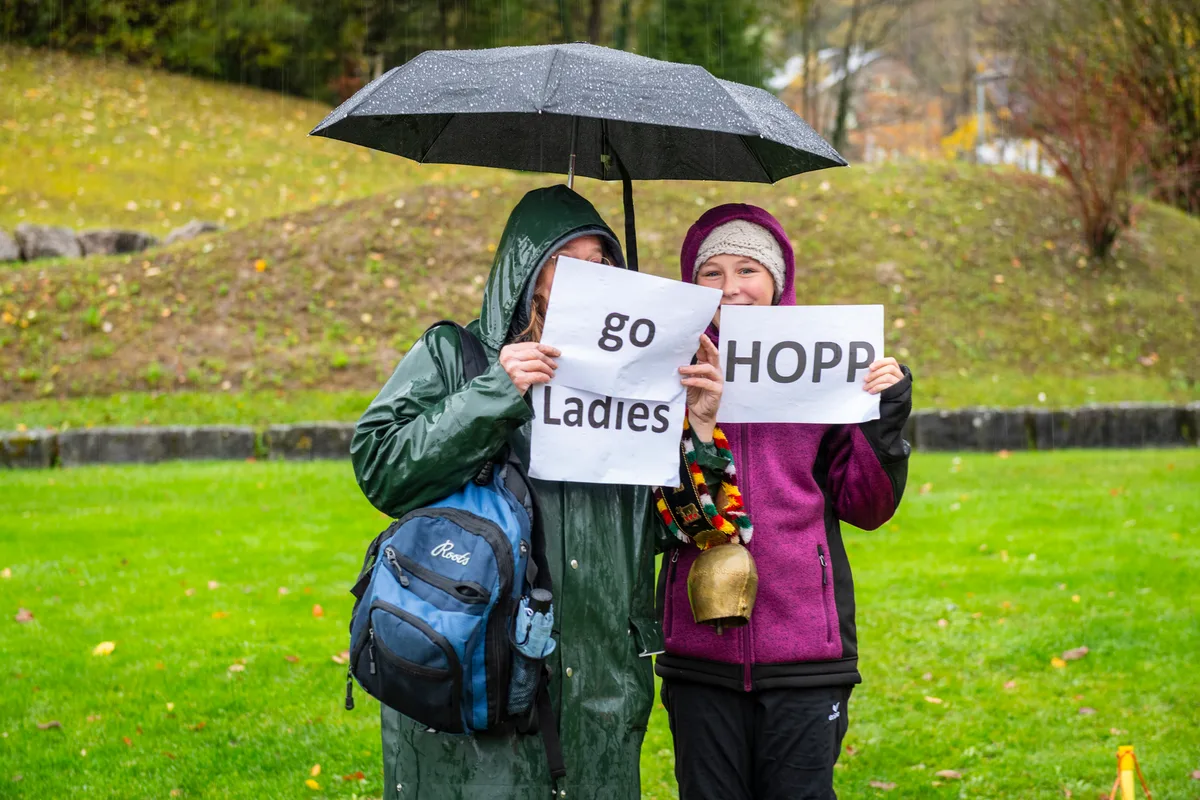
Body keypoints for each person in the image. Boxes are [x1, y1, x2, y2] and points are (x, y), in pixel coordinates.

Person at [350, 185, 724, 800]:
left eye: (601, 262)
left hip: (600, 683)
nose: (587, 274)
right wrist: (494, 393)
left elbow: (679, 529)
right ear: (525, 271)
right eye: (564, 258)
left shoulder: (644, 376)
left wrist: (701, 430)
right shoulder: (457, 356)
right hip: (476, 664)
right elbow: (382, 467)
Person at [656, 204, 913, 800]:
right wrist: (698, 426)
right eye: (711, 272)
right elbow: (662, 509)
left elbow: (867, 506)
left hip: (805, 646)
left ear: (777, 279)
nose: (731, 288)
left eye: (747, 269)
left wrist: (885, 417)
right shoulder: (667, 366)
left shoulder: (828, 361)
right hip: (701, 647)